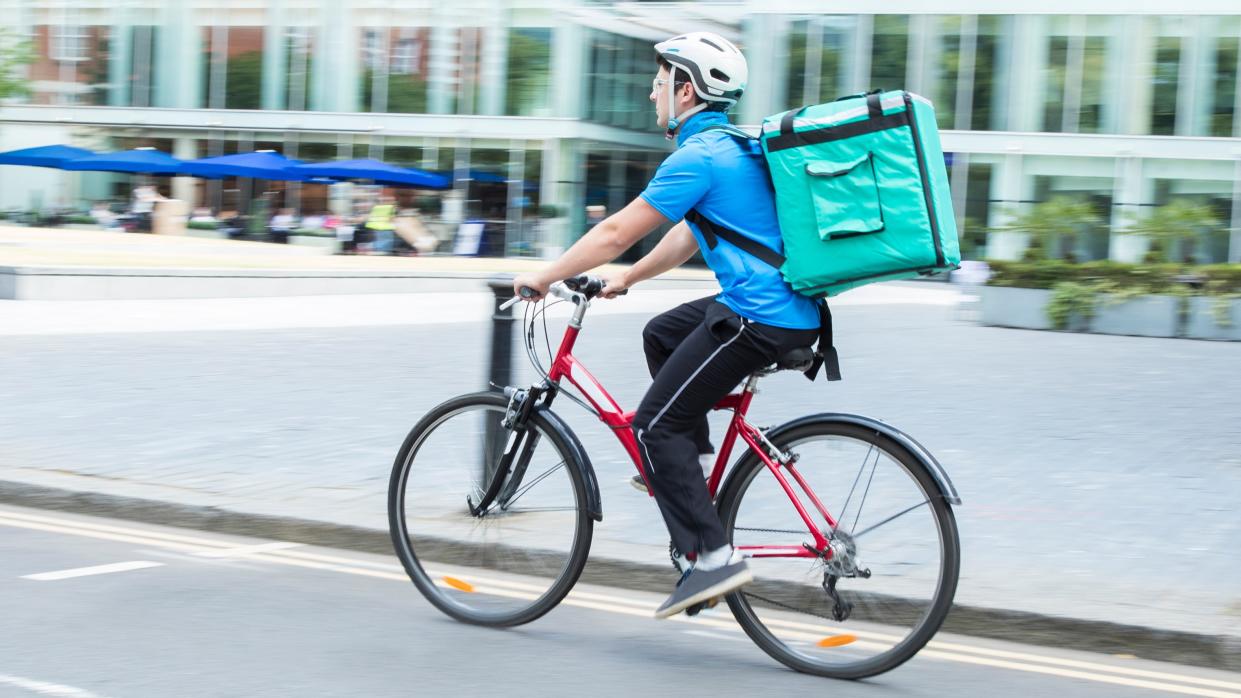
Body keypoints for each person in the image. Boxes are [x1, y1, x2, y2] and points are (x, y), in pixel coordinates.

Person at [512, 32, 822, 619]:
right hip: (785, 310)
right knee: (662, 332)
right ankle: (693, 467)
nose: (652, 93)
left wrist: (544, 274)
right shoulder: (732, 147)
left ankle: (712, 558)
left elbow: (614, 233)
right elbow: (689, 234)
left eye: (659, 84)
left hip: (758, 318)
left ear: (686, 90)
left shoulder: (698, 156)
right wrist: (628, 280)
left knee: (654, 424)